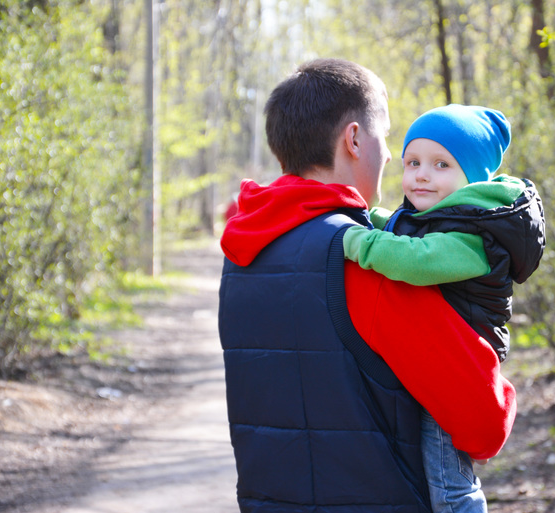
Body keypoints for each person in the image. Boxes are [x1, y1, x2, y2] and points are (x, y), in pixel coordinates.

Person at [218, 59, 517, 513]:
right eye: (386, 137)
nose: (392, 157)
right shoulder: (367, 258)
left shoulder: (242, 254)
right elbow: (482, 424)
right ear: (354, 139)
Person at [341, 104, 546, 512]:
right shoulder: (438, 216)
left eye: (440, 165)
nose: (421, 174)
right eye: (413, 162)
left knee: (450, 482)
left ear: (472, 178)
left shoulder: (475, 237)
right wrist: (365, 217)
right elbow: (400, 226)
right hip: (438, 358)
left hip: (461, 371)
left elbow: (419, 260)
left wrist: (354, 241)